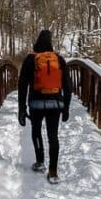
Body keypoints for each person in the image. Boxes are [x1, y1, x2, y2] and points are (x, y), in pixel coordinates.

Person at [18, 30, 71, 184]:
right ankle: (53, 172)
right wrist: (66, 107)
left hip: (36, 104)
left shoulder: (30, 60)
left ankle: (40, 161)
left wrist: (22, 108)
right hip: (55, 104)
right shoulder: (59, 60)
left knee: (36, 131)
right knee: (53, 136)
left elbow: (22, 85)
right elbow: (68, 86)